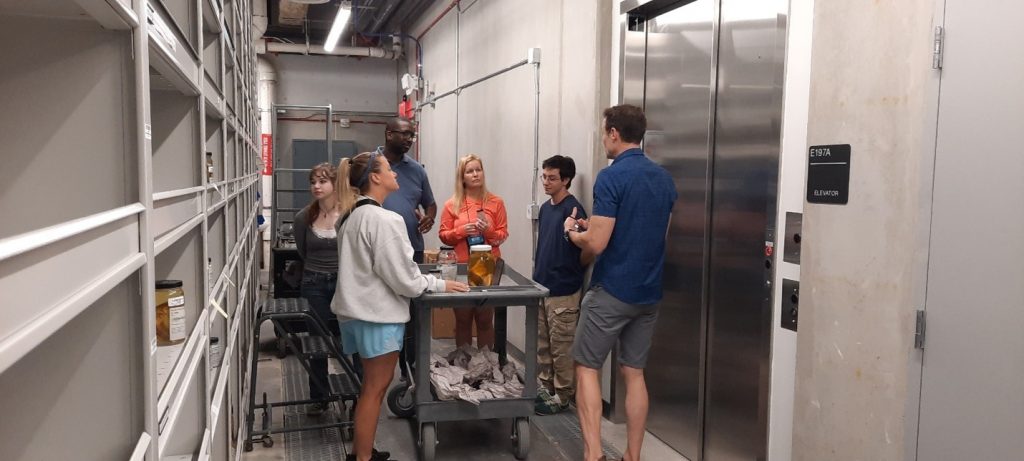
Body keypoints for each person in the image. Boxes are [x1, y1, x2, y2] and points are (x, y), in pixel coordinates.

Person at [332, 151, 469, 461]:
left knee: (370, 387)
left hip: (356, 314)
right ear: (375, 178)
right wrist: (439, 284)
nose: (396, 174)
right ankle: (362, 458)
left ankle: (361, 452)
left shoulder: (352, 216)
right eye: (388, 170)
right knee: (375, 389)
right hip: (376, 316)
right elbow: (404, 279)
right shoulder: (384, 219)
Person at [565, 105, 677, 461]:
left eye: (604, 132)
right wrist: (594, 227)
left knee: (586, 366)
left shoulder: (611, 177)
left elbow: (597, 244)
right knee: (634, 373)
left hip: (612, 291)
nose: (603, 139)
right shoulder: (664, 179)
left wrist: (573, 233)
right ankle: (633, 456)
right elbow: (656, 235)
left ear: (614, 132)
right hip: (648, 293)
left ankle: (593, 454)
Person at [532, 155, 589, 416]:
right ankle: (545, 387)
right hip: (543, 286)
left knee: (561, 348)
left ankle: (563, 395)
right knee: (544, 345)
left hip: (564, 290)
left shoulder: (573, 210)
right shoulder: (545, 209)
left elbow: (586, 251)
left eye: (552, 178)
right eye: (544, 176)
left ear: (566, 180)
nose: (546, 181)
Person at [438, 154, 509, 350]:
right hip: (461, 267)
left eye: (478, 169)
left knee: (485, 320)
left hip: (489, 267)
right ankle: (463, 362)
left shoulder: (496, 202)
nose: (475, 174)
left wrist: (488, 231)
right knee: (462, 319)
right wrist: (461, 231)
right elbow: (443, 235)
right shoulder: (451, 205)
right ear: (462, 177)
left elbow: (502, 236)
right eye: (470, 171)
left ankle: (486, 365)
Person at [292, 162, 341, 416]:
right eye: (313, 182)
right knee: (317, 342)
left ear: (335, 184)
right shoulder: (304, 217)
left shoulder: (347, 214)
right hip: (314, 283)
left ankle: (355, 392)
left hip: (344, 283)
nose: (317, 186)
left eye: (322, 181)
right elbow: (302, 250)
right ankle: (319, 396)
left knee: (350, 340)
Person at [379, 117, 437, 264]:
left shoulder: (417, 170)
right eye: (405, 134)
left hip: (412, 248)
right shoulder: (369, 164)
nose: (409, 139)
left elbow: (430, 204)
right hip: (378, 248)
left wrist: (429, 218)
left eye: (412, 135)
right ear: (389, 134)